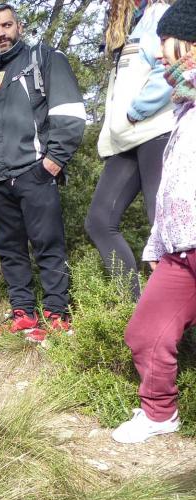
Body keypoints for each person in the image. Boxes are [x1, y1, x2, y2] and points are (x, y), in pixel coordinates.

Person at [0, 3, 86, 339]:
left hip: (35, 173)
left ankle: (57, 312)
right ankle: (23, 312)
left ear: (18, 27)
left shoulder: (44, 58)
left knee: (48, 244)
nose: (0, 34)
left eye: (6, 26)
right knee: (9, 248)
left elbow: (70, 113)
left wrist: (52, 163)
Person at [112, 0, 196, 444]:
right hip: (180, 250)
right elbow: (173, 189)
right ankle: (160, 414)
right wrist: (156, 244)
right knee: (144, 332)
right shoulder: (184, 108)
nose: (158, 55)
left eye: (163, 44)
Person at [86, 0, 175, 300]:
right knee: (99, 220)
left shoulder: (160, 14)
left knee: (164, 225)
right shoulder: (131, 25)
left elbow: (171, 68)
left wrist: (136, 110)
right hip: (127, 140)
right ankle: (134, 309)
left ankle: (176, 321)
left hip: (155, 130)